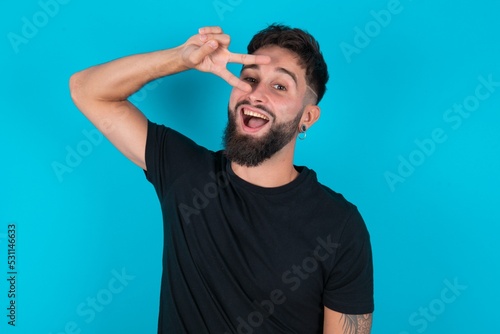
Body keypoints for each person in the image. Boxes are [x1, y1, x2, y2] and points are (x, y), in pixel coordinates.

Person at [69, 24, 374, 334]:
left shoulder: (339, 226)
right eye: (250, 78)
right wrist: (181, 58)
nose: (255, 94)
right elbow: (87, 90)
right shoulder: (186, 173)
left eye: (280, 86)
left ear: (306, 118)